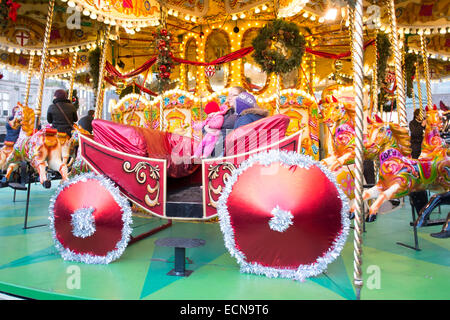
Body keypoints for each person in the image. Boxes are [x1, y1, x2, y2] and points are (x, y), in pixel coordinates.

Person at [409, 108, 428, 215]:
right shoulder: (412, 123)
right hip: (417, 147)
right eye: (421, 115)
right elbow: (415, 133)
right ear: (417, 116)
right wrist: (422, 126)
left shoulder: (426, 123)